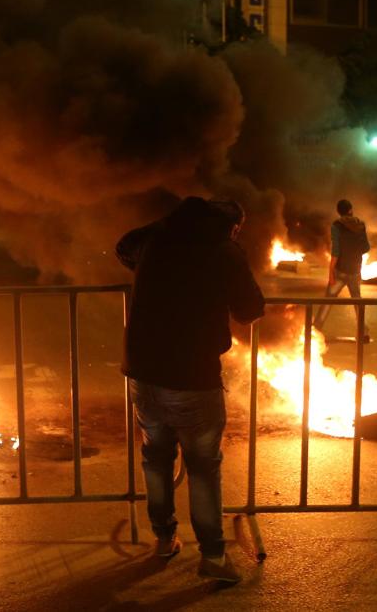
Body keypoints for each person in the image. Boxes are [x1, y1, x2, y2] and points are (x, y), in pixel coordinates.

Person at [116, 196, 265, 584]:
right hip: (192, 377)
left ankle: (164, 539)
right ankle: (213, 556)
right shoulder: (224, 249)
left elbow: (123, 246)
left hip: (143, 373)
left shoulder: (158, 235)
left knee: (156, 457)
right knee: (202, 468)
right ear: (232, 226)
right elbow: (250, 308)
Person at [313, 199, 371, 341]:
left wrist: (331, 272)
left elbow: (336, 251)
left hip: (340, 271)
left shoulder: (336, 226)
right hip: (356, 270)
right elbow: (366, 248)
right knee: (357, 301)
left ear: (339, 212)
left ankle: (315, 331)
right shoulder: (360, 225)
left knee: (328, 301)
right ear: (351, 210)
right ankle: (363, 333)